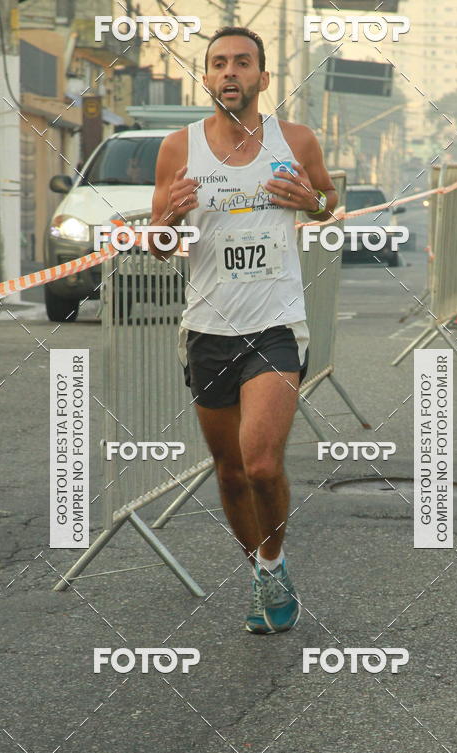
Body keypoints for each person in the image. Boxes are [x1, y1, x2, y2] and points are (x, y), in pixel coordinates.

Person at [150, 26, 337, 634]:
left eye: (242, 63)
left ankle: (276, 559)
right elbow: (157, 244)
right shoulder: (178, 149)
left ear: (262, 77)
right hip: (208, 327)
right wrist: (168, 222)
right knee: (229, 472)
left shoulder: (297, 140)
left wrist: (313, 200)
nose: (230, 73)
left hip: (276, 323)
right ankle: (258, 566)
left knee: (260, 464)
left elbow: (329, 201)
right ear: (206, 77)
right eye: (219, 64)